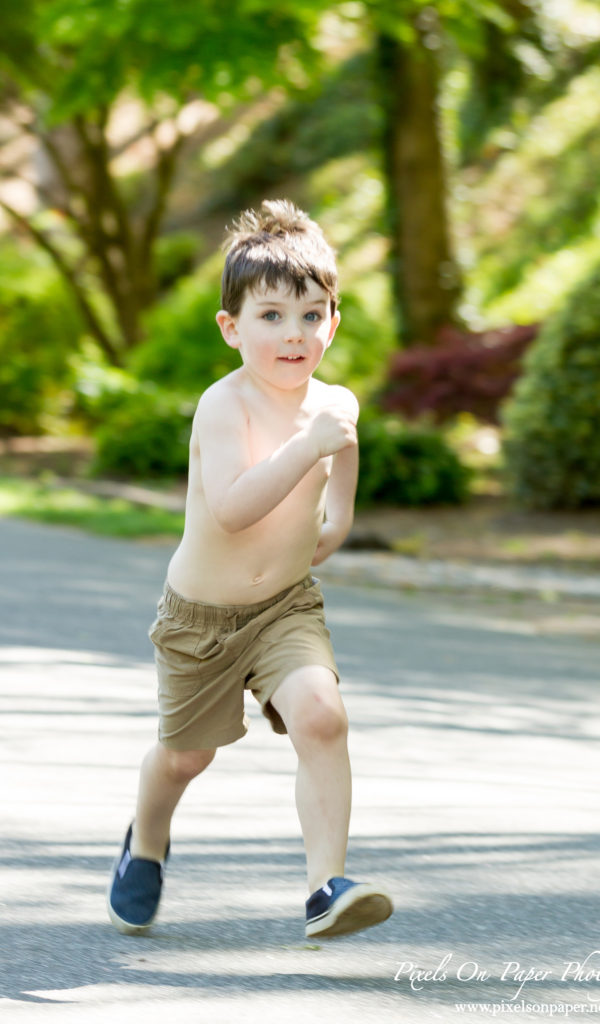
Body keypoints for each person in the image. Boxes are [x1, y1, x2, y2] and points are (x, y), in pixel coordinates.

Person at [107, 199, 393, 940]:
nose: (292, 334)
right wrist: (307, 449)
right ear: (232, 328)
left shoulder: (334, 405)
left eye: (310, 314)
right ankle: (144, 842)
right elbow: (233, 509)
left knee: (323, 718)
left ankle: (325, 887)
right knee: (184, 757)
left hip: (285, 609)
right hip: (200, 617)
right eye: (270, 316)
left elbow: (337, 498)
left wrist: (331, 526)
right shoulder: (222, 405)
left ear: (333, 321)